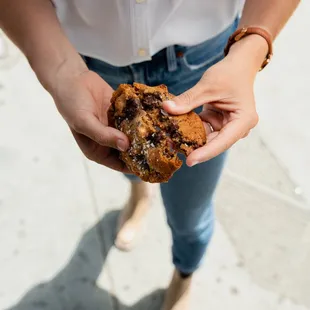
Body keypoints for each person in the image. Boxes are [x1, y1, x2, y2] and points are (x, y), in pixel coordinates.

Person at [0, 1, 300, 309]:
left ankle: (184, 273)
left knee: (191, 215)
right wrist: (61, 71)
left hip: (204, 62)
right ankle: (139, 193)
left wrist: (251, 49)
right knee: (125, 156)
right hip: (95, 63)